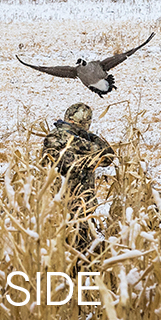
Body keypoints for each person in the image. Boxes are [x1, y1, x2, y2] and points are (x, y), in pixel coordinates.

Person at [41, 103, 115, 251]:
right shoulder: (65, 139)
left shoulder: (71, 137)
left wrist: (86, 135)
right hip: (68, 206)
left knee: (78, 245)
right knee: (71, 248)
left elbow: (107, 157)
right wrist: (88, 140)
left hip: (78, 206)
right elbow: (107, 155)